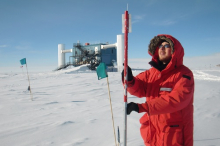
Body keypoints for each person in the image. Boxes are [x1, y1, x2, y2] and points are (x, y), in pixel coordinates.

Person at [122, 34, 194, 146]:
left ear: (175, 51)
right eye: (160, 45)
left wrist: (142, 107)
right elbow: (138, 88)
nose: (162, 48)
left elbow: (177, 99)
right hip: (153, 134)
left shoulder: (184, 74)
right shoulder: (151, 73)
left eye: (166, 45)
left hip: (173, 137)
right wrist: (130, 80)